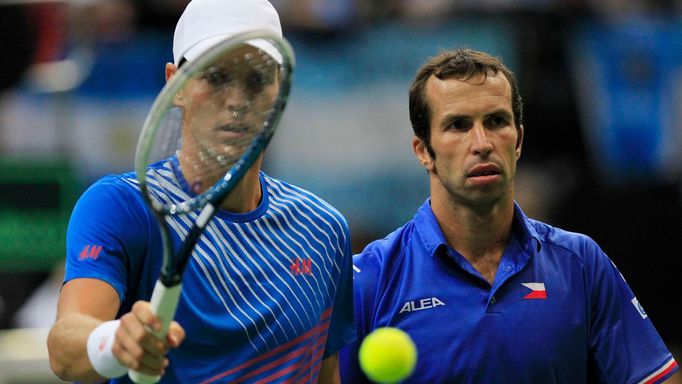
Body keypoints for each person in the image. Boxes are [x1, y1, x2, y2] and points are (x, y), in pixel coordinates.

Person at [47, 1, 355, 383]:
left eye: (258, 78)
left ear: (281, 89)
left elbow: (325, 375)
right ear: (174, 84)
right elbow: (65, 348)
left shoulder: (323, 229)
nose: (237, 101)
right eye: (215, 76)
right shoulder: (121, 206)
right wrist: (114, 342)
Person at [339, 48, 679, 383]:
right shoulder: (368, 279)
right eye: (458, 125)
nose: (482, 142)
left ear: (518, 141)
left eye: (496, 121)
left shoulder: (581, 262)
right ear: (424, 151)